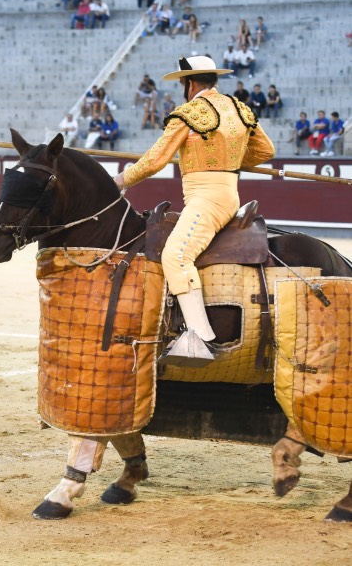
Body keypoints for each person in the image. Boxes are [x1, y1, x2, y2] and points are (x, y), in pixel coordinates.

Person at [113, 55, 275, 365]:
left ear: (189, 84)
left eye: (182, 84)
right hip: (229, 193)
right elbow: (266, 151)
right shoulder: (238, 108)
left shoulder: (188, 113)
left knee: (177, 255)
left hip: (207, 199)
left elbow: (155, 160)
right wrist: (226, 158)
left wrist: (122, 180)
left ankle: (201, 337)